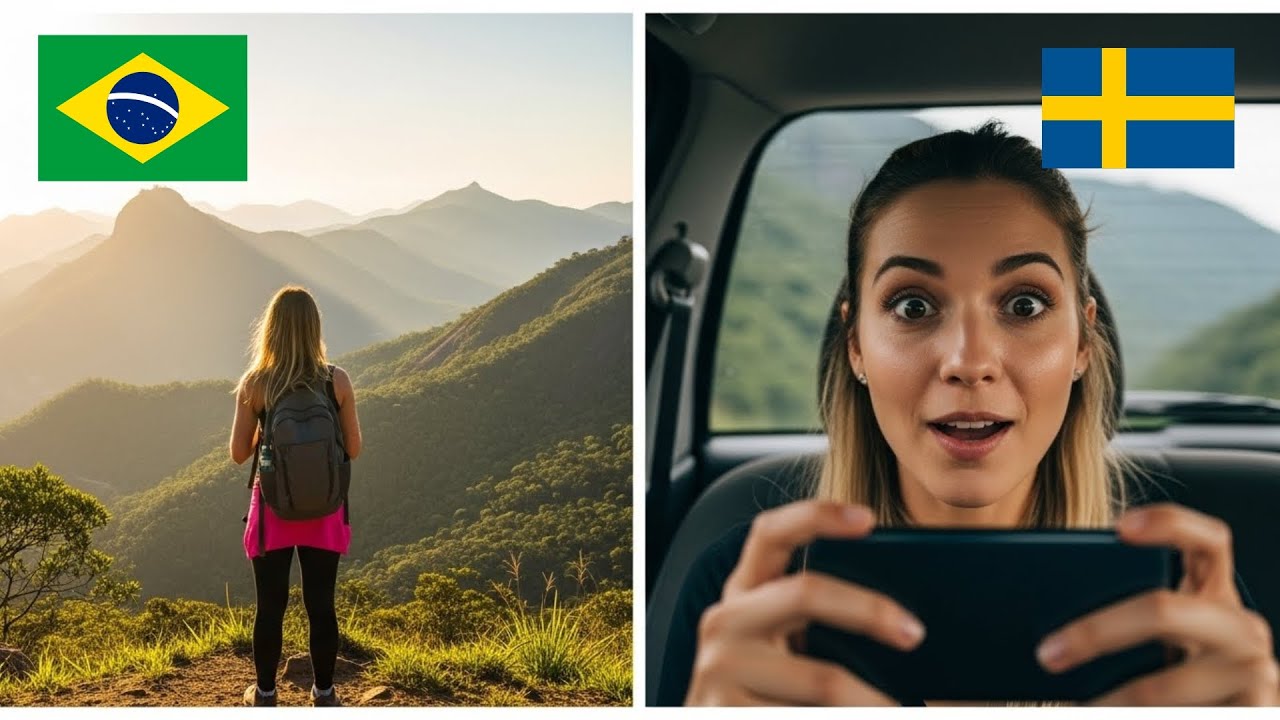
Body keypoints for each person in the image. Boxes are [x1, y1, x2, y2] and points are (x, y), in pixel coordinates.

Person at [660, 122, 1279, 706]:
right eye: (912, 307)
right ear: (855, 346)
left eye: (1025, 303)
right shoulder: (743, 595)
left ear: (1083, 344)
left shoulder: (1183, 601)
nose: (969, 361)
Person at [230, 286, 364, 707]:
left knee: (270, 607)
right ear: (314, 329)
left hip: (272, 508)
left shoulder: (256, 384)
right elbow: (354, 449)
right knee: (320, 605)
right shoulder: (335, 381)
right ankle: (324, 694)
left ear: (270, 330)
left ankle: (266, 694)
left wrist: (267, 428)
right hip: (324, 507)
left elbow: (238, 454)